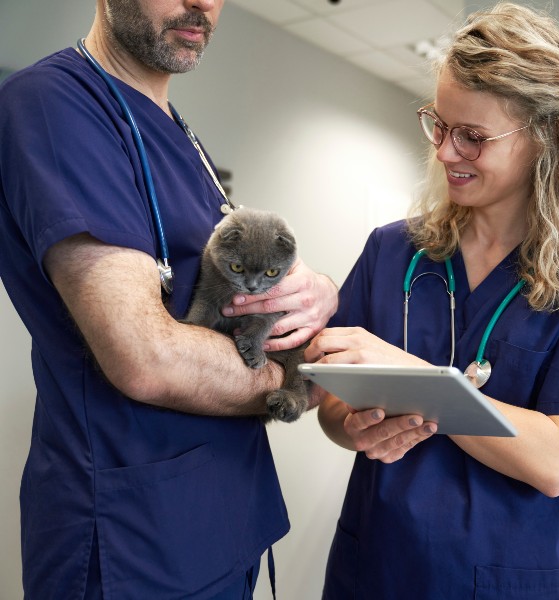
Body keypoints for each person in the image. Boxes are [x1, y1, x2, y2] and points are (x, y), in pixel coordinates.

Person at [0, 0, 337, 597]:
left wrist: (319, 293)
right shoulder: (56, 104)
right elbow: (145, 357)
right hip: (132, 537)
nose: (201, 3)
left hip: (223, 518)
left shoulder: (178, 133)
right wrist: (299, 384)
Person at [304, 3, 559, 598]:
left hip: (502, 572)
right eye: (439, 125)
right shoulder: (391, 251)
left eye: (473, 137)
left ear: (542, 138)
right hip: (376, 563)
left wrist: (422, 380)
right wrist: (350, 427)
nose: (445, 152)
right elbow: (329, 401)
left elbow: (555, 461)